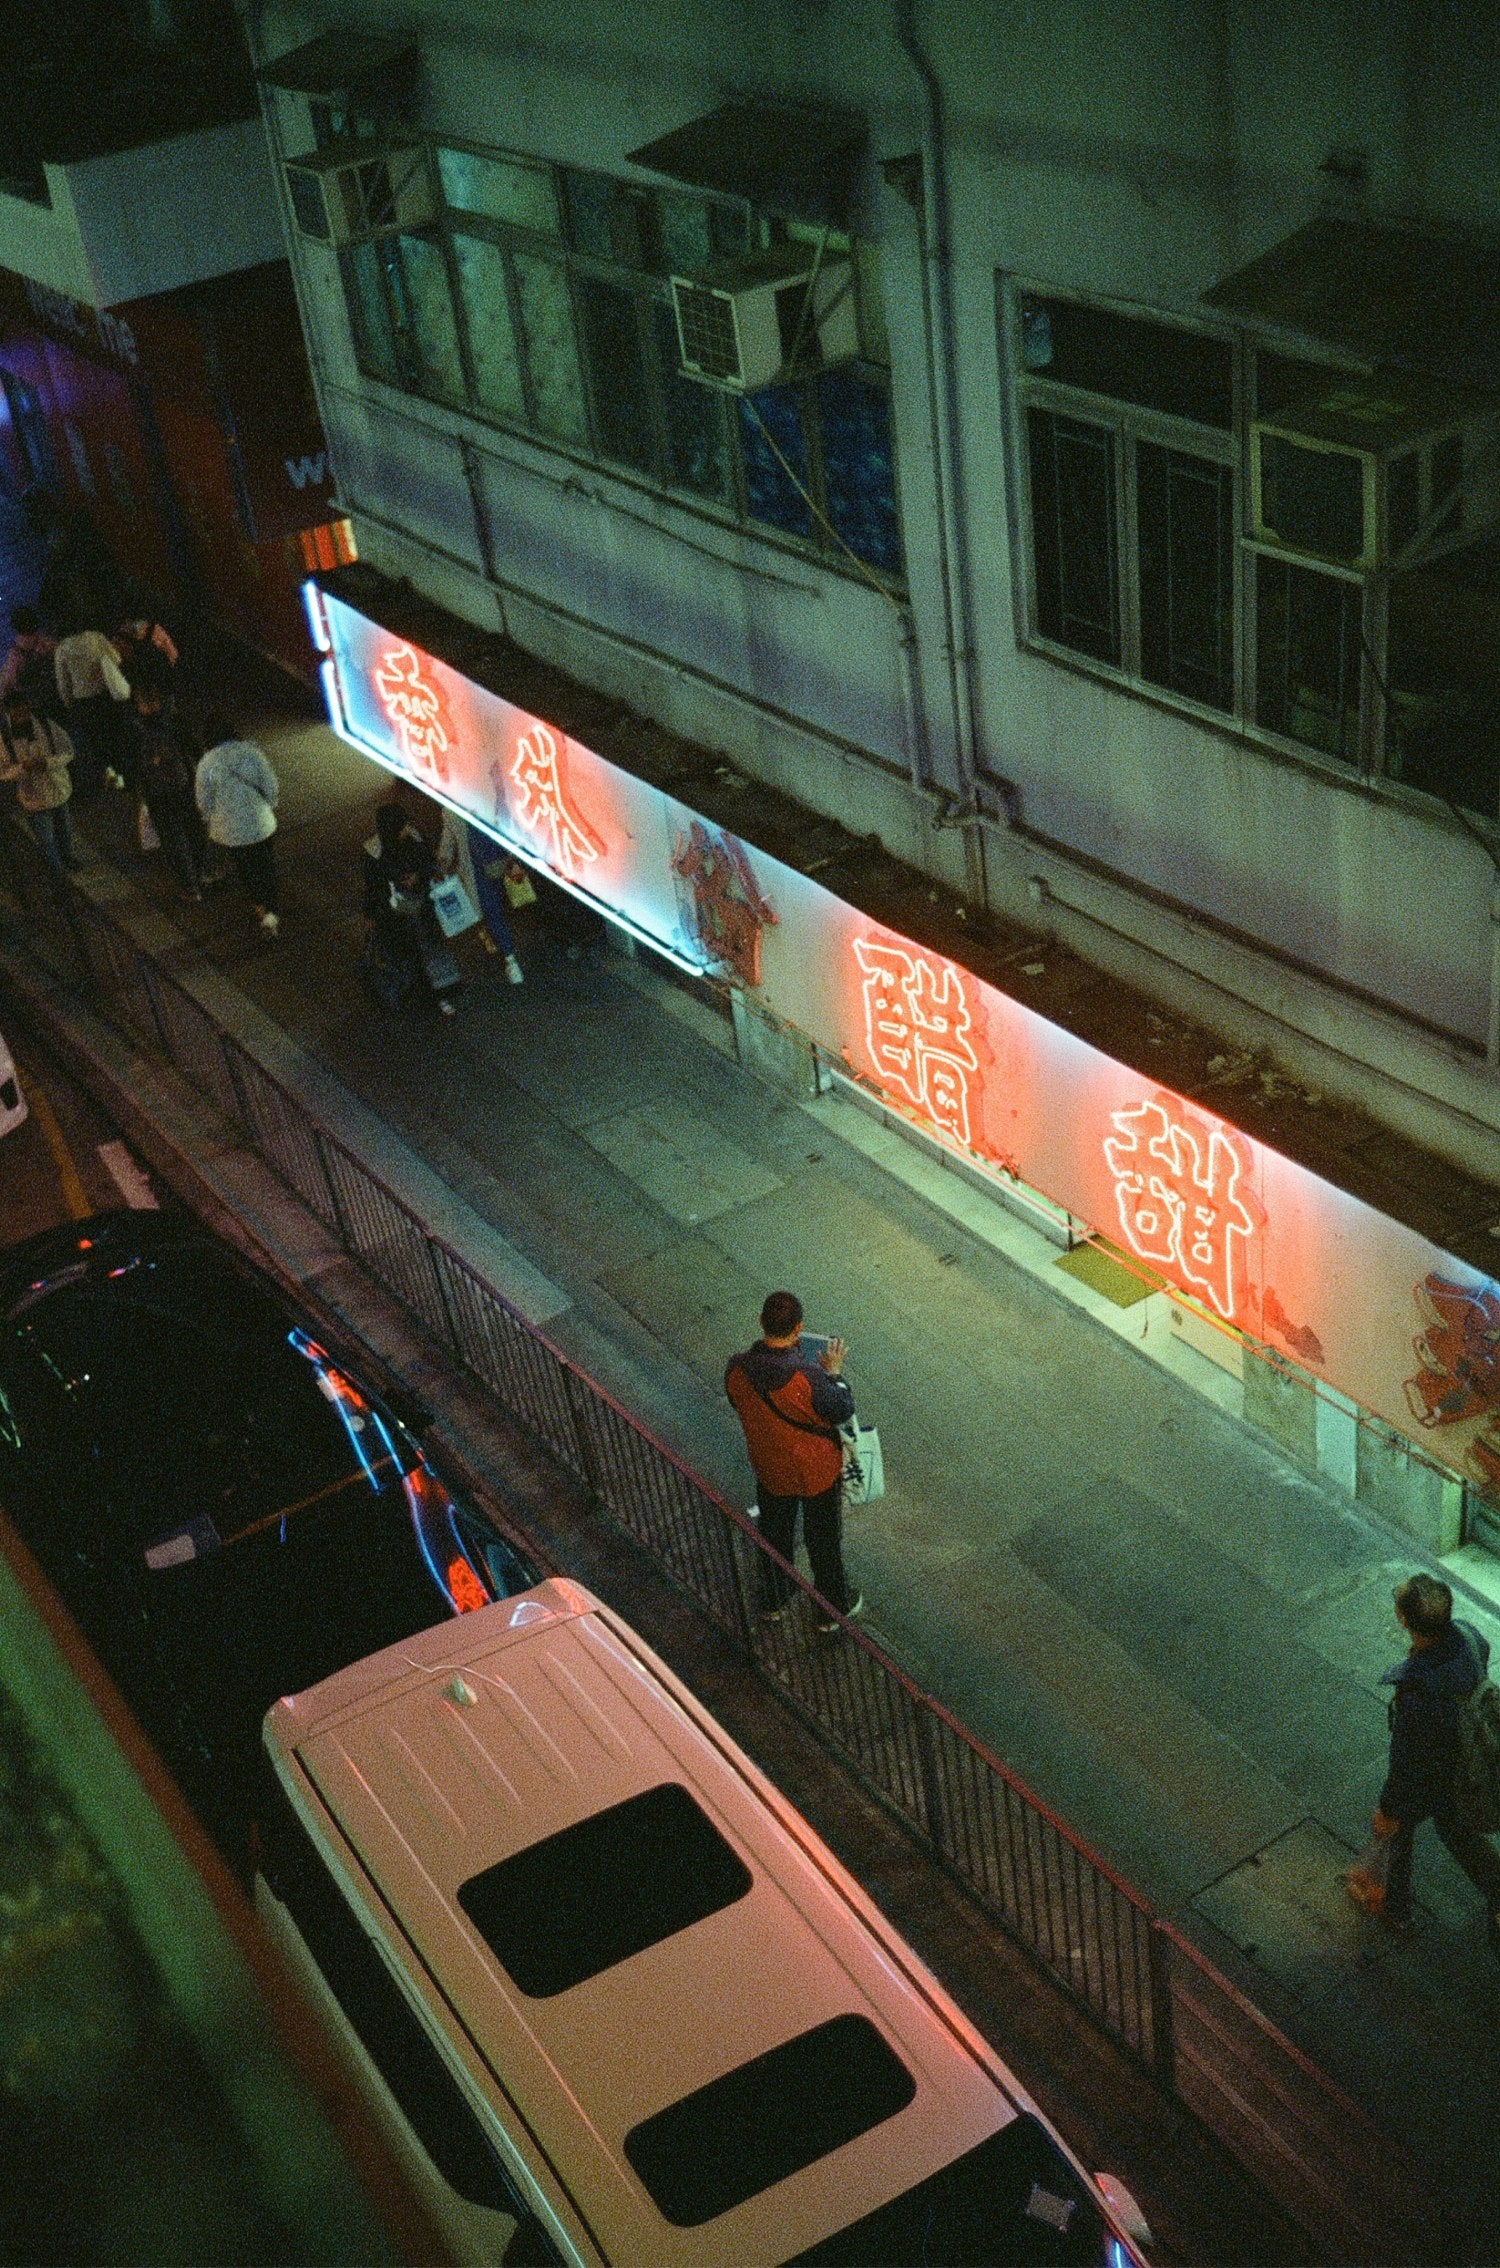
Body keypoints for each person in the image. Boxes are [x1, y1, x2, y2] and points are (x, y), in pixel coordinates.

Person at [1371, 1572, 1500, 1953]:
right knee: (1454, 1830)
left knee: (1400, 1829)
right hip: (1471, 1758)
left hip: (1439, 1777)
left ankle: (1396, 1908)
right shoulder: (1470, 1638)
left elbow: (1406, 1764)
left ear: (1404, 1619)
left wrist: (1388, 1809)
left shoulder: (1417, 1692)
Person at [725, 1291, 864, 1634]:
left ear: (761, 1322)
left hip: (770, 1468)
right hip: (815, 1473)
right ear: (799, 1328)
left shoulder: (737, 1369)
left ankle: (774, 1598)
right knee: (823, 1539)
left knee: (774, 1533)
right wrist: (833, 1373)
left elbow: (738, 1403)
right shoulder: (808, 1377)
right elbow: (842, 1408)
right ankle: (831, 1608)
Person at [363, 799, 462, 1016]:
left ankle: (425, 995)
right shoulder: (380, 850)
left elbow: (430, 863)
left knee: (418, 954)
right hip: (403, 914)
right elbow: (373, 887)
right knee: (420, 954)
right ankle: (434, 996)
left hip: (406, 913)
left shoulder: (379, 849)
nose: (407, 828)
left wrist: (418, 876)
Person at [195, 716, 281, 933]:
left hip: (231, 830)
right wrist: (270, 804)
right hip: (260, 822)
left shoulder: (207, 764)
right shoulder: (251, 753)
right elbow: (269, 783)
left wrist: (210, 820)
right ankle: (272, 907)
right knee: (266, 864)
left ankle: (261, 909)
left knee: (246, 869)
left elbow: (203, 800)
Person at [131, 685, 205, 898]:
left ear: (141, 704)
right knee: (193, 830)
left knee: (173, 838)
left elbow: (131, 764)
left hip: (157, 793)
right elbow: (195, 748)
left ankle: (189, 886)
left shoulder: (136, 730)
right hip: (183, 786)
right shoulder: (175, 722)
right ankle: (201, 874)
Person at [437, 808, 523, 982]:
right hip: (491, 864)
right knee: (494, 909)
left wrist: (442, 861)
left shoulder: (450, 811)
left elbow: (448, 842)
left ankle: (506, 954)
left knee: (494, 908)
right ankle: (509, 957)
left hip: (483, 868)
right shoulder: (471, 802)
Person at [0, 696, 78, 875]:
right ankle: (56, 871)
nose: (23, 717)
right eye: (17, 713)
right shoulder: (4, 738)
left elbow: (67, 751)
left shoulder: (46, 726)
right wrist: (23, 768)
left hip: (56, 787)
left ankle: (67, 858)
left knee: (63, 828)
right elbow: (3, 772)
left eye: (25, 711)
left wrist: (47, 763)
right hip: (33, 796)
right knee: (46, 837)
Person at [52, 621, 132, 795]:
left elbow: (63, 683)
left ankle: (111, 778)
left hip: (83, 704)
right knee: (116, 736)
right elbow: (116, 659)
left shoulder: (62, 649)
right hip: (105, 696)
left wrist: (69, 704)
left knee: (97, 743)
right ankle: (127, 776)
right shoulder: (97, 637)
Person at [0, 606, 59, 714]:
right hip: (52, 696)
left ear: (16, 627)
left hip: (29, 704)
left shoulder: (16, 653)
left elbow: (9, 681)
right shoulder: (49, 644)